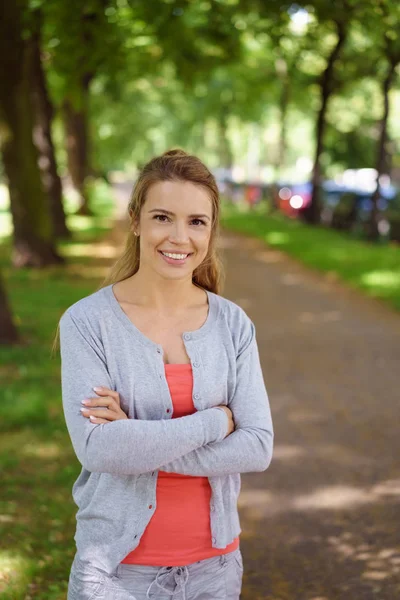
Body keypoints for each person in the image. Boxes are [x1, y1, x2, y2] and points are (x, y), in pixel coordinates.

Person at [58, 149, 274, 600]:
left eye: (197, 221)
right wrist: (216, 423)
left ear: (211, 231)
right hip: (114, 573)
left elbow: (256, 446)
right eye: (163, 217)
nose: (180, 237)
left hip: (215, 569)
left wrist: (137, 440)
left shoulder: (233, 324)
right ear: (135, 220)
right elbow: (99, 448)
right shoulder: (87, 322)